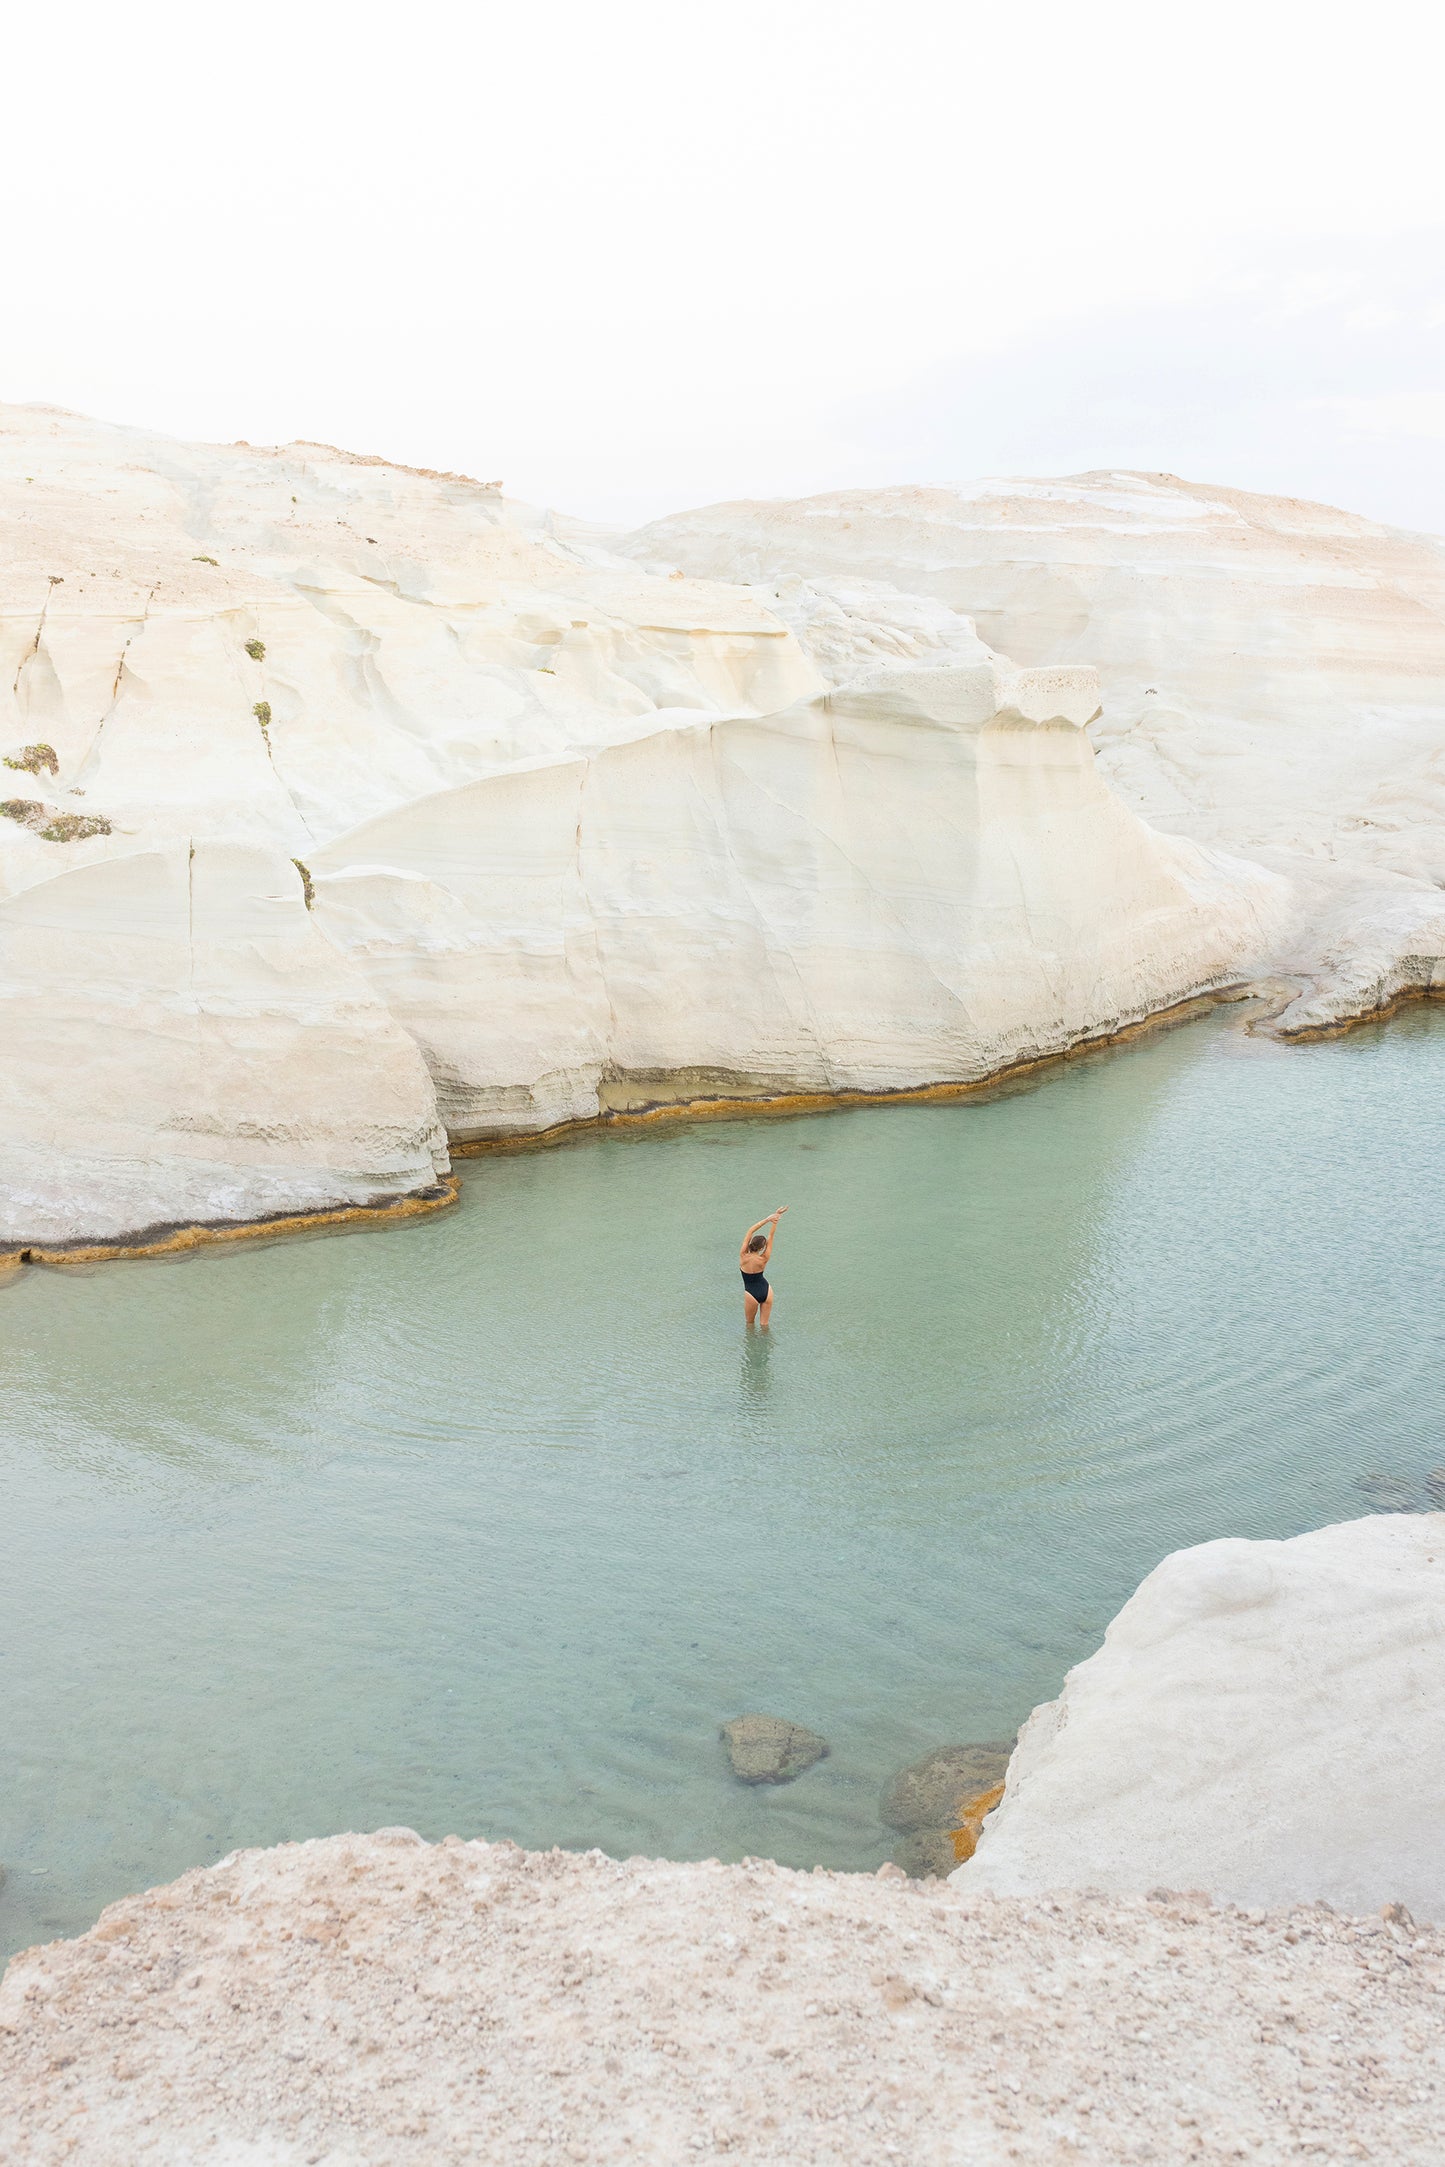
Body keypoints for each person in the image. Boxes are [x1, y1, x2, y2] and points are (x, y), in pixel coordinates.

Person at [739, 1206, 787, 1328]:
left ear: (750, 1244)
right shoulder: (763, 1258)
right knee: (765, 1326)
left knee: (750, 1326)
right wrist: (775, 1219)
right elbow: (771, 1237)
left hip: (751, 1293)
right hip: (767, 1290)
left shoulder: (743, 1256)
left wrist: (767, 1219)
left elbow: (750, 1231)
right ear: (762, 1248)